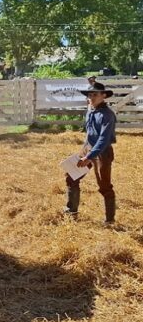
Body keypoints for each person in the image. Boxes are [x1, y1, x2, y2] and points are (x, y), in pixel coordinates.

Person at [64, 81, 116, 224]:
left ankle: (109, 220)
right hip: (88, 148)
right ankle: (71, 212)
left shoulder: (108, 115)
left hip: (102, 152)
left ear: (103, 95)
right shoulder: (91, 110)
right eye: (89, 95)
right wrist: (85, 151)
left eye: (95, 94)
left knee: (104, 185)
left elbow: (104, 139)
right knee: (71, 175)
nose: (91, 97)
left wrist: (89, 156)